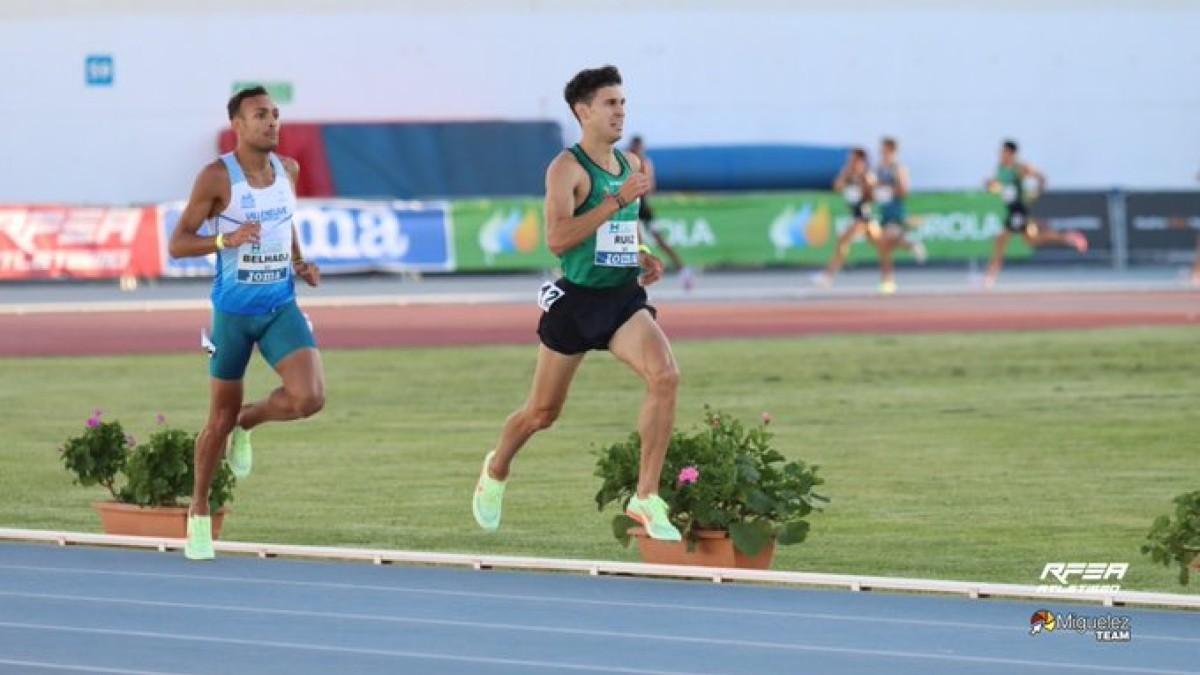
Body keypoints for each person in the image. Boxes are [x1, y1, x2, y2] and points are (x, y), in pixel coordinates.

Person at [472, 65, 681, 541]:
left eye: (623, 103)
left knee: (665, 376)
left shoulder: (630, 164)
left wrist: (642, 256)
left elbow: (618, 232)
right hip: (577, 302)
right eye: (610, 104)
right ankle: (498, 467)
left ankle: (646, 497)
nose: (620, 112)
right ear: (583, 111)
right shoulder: (566, 168)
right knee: (542, 414)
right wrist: (614, 201)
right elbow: (558, 239)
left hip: (622, 299)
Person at [168, 86, 324, 560]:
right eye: (261, 115)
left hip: (280, 305)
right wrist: (227, 240)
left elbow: (284, 221)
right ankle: (198, 510)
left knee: (309, 398)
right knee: (215, 420)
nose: (272, 122)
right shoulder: (217, 177)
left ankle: (248, 422)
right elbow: (178, 243)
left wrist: (298, 259)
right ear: (237, 124)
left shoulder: (289, 170)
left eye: (275, 114)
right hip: (232, 316)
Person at [983, 140, 1087, 288]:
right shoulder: (1000, 168)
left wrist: (1035, 193)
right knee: (1032, 240)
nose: (1000, 154)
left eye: (1003, 151)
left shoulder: (1019, 167)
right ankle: (1068, 237)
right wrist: (991, 185)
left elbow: (1041, 177)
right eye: (1000, 151)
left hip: (1018, 210)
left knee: (1001, 239)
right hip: (1012, 209)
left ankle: (990, 277)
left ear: (1011, 153)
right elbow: (999, 186)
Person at [812, 147, 888, 291]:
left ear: (861, 160)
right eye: (850, 159)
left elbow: (872, 195)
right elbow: (836, 186)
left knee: (844, 241)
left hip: (863, 217)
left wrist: (862, 191)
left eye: (853, 159)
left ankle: (827, 276)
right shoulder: (849, 173)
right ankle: (887, 277)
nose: (851, 161)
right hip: (858, 216)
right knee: (881, 247)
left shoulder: (867, 175)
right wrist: (847, 177)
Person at [627, 135, 694, 291]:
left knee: (658, 240)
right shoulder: (629, 160)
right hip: (632, 203)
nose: (636, 150)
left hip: (641, 205)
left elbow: (649, 186)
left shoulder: (644, 162)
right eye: (635, 147)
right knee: (633, 241)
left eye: (638, 148)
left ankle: (683, 270)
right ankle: (635, 276)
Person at [874, 137, 928, 293]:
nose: (881, 152)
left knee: (885, 242)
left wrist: (889, 190)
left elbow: (904, 190)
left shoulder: (898, 168)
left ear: (892, 151)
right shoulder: (878, 168)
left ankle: (887, 279)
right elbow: (874, 187)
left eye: (884, 149)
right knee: (885, 246)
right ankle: (888, 279)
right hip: (883, 212)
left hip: (896, 212)